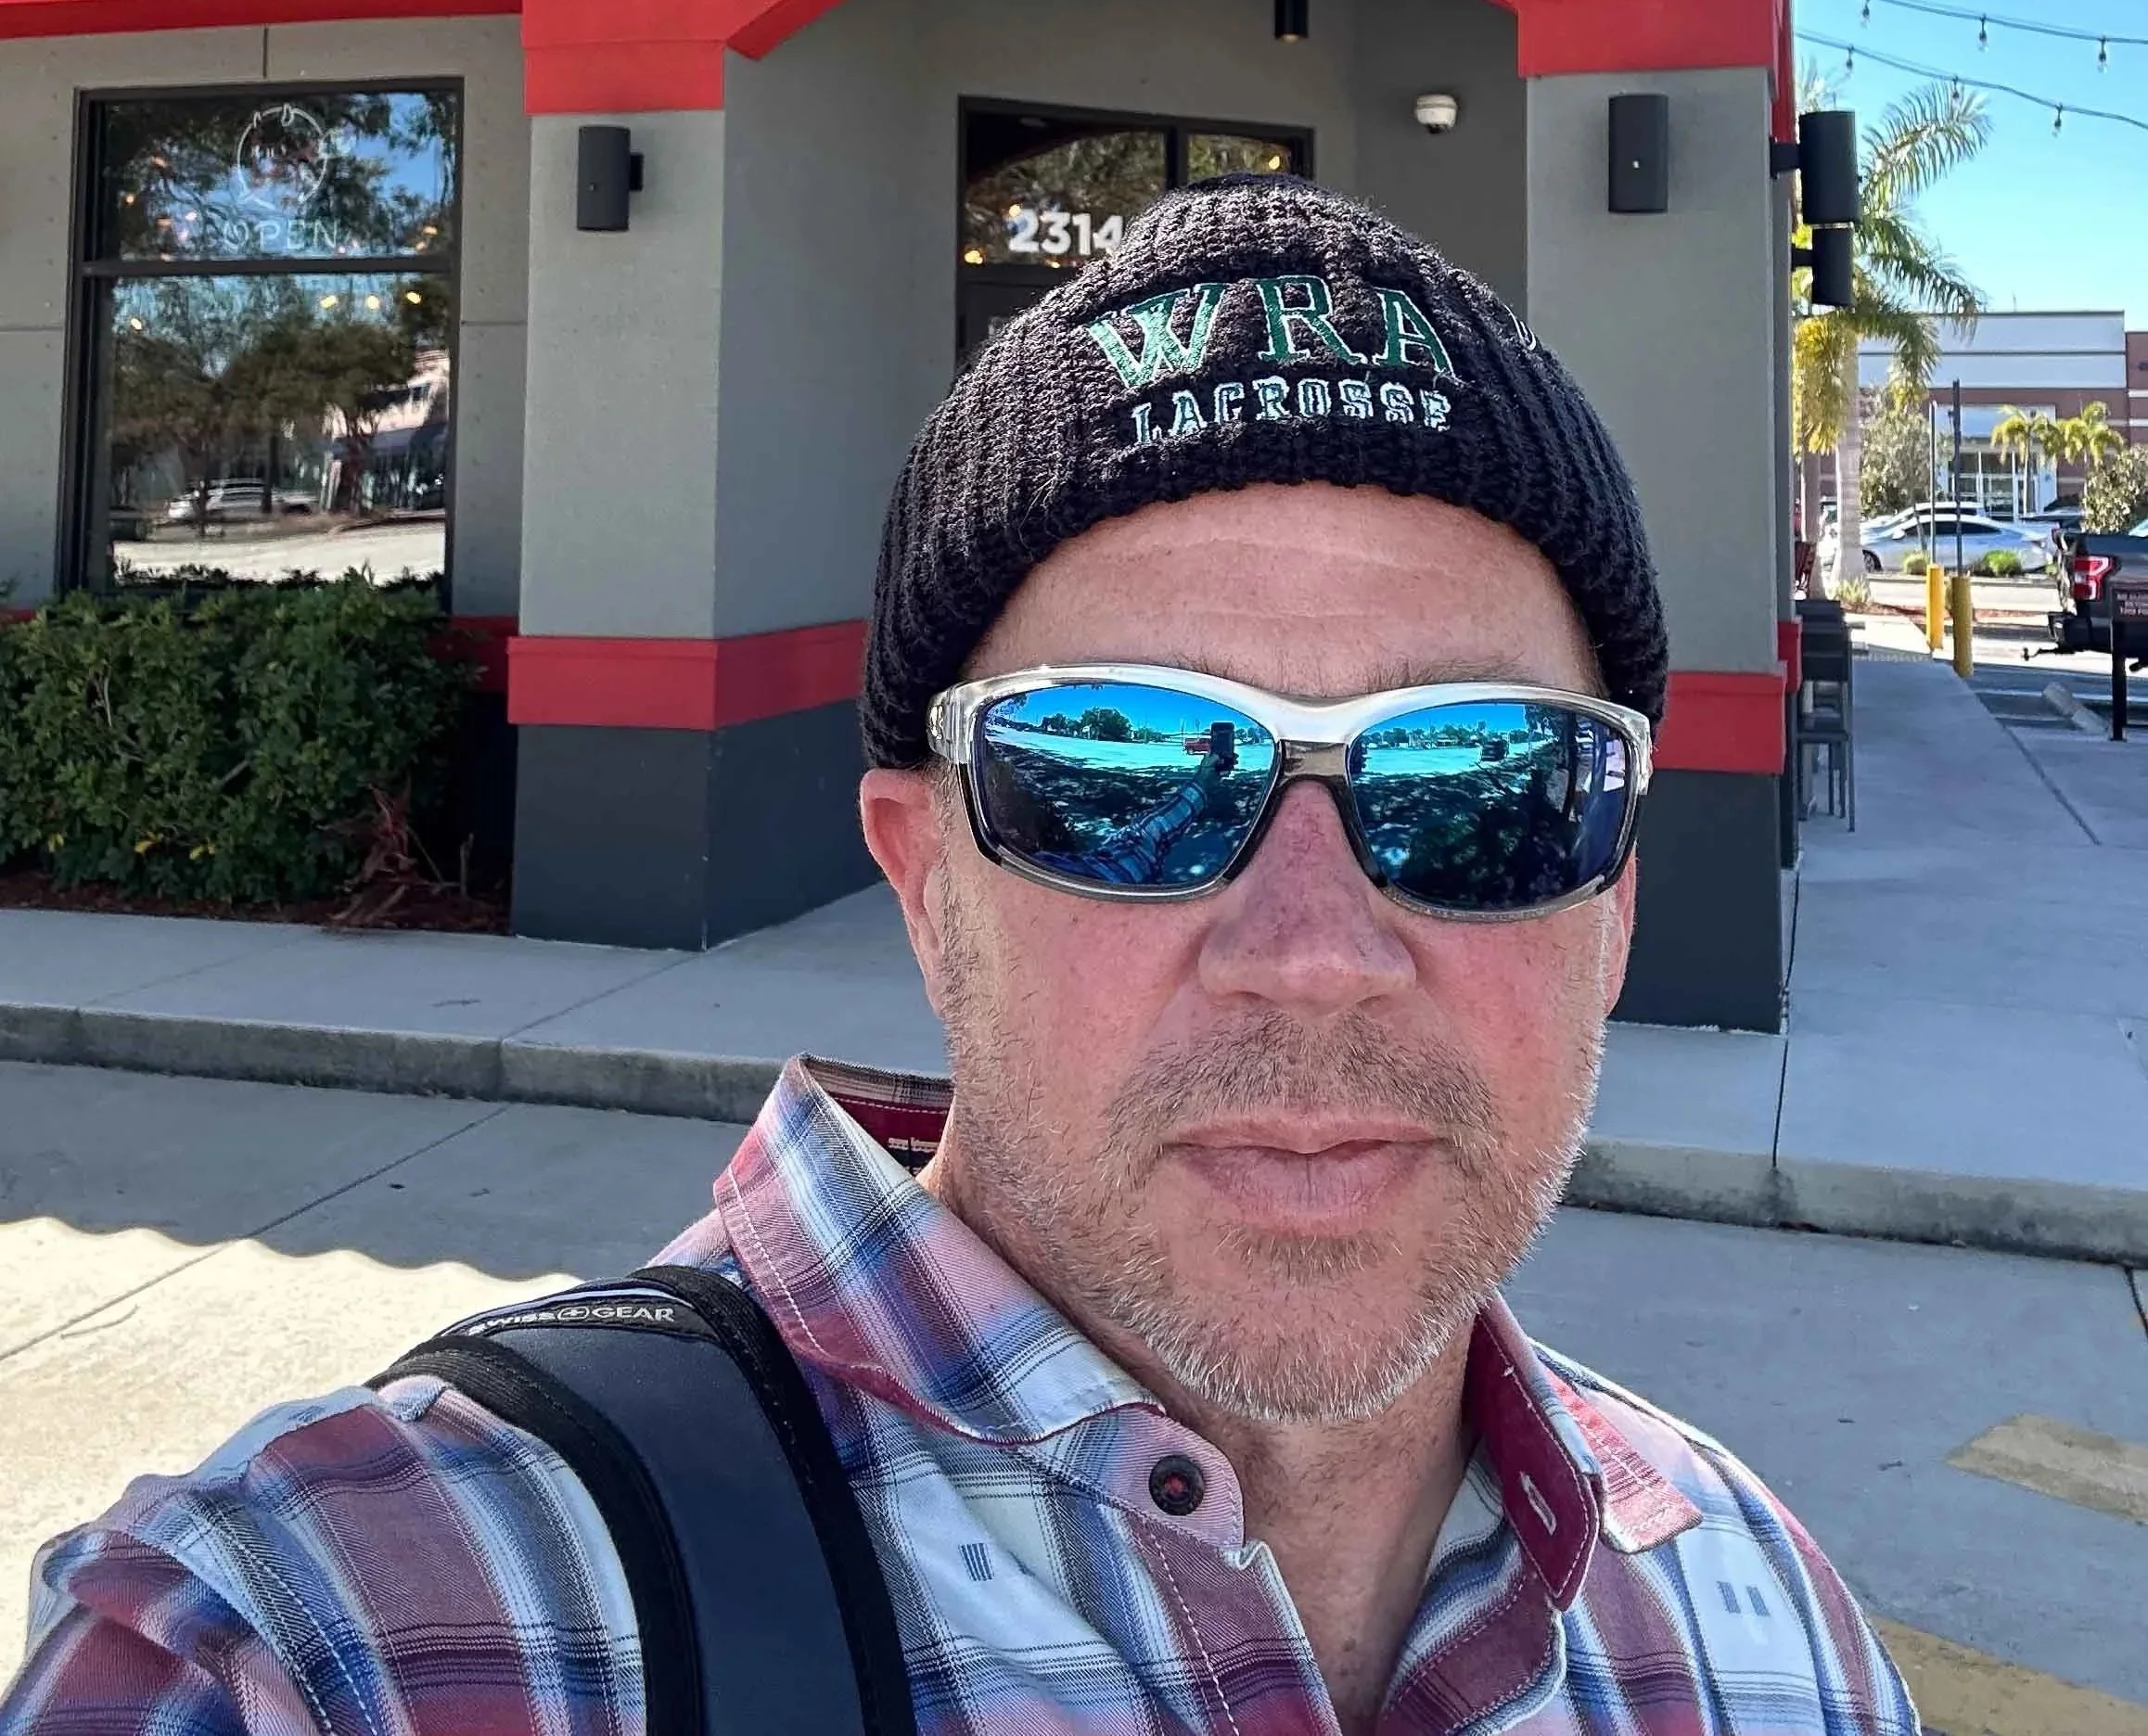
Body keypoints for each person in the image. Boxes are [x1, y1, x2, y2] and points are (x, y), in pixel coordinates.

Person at [2, 177, 1917, 1736]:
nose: (1317, 951)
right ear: (926, 886)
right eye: (1122, 772)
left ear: (1615, 900)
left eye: (1481, 781)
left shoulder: (1769, 1636)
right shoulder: (331, 1644)